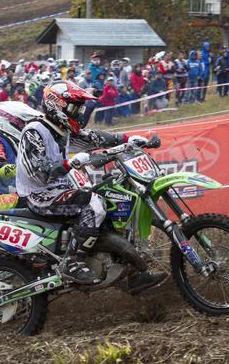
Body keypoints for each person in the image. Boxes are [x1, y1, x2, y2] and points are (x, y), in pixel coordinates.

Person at [15, 80, 166, 291]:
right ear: (56, 105)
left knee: (109, 203)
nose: (78, 114)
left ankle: (129, 274)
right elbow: (38, 173)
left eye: (80, 109)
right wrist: (72, 162)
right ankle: (72, 262)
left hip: (58, 192)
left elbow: (94, 137)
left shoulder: (62, 130)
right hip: (39, 195)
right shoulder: (35, 131)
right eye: (74, 108)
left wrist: (129, 139)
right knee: (94, 204)